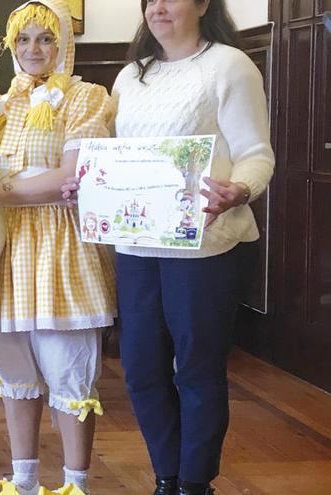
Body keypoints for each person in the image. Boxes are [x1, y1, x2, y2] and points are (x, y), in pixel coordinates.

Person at [61, 1, 274, 494]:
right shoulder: (131, 77)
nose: (157, 7)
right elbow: (113, 157)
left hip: (206, 248)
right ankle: (166, 477)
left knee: (196, 367)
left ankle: (195, 483)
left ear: (202, 4)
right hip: (137, 246)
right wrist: (87, 185)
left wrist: (239, 190)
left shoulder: (228, 65)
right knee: (140, 368)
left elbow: (256, 154)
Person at [0, 2, 117, 494]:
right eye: (23, 39)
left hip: (60, 251)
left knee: (70, 378)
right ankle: (24, 482)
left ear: (63, 45)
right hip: (4, 252)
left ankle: (76, 485)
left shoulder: (85, 97)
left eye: (45, 39)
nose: (34, 49)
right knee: (16, 376)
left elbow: (71, 177)